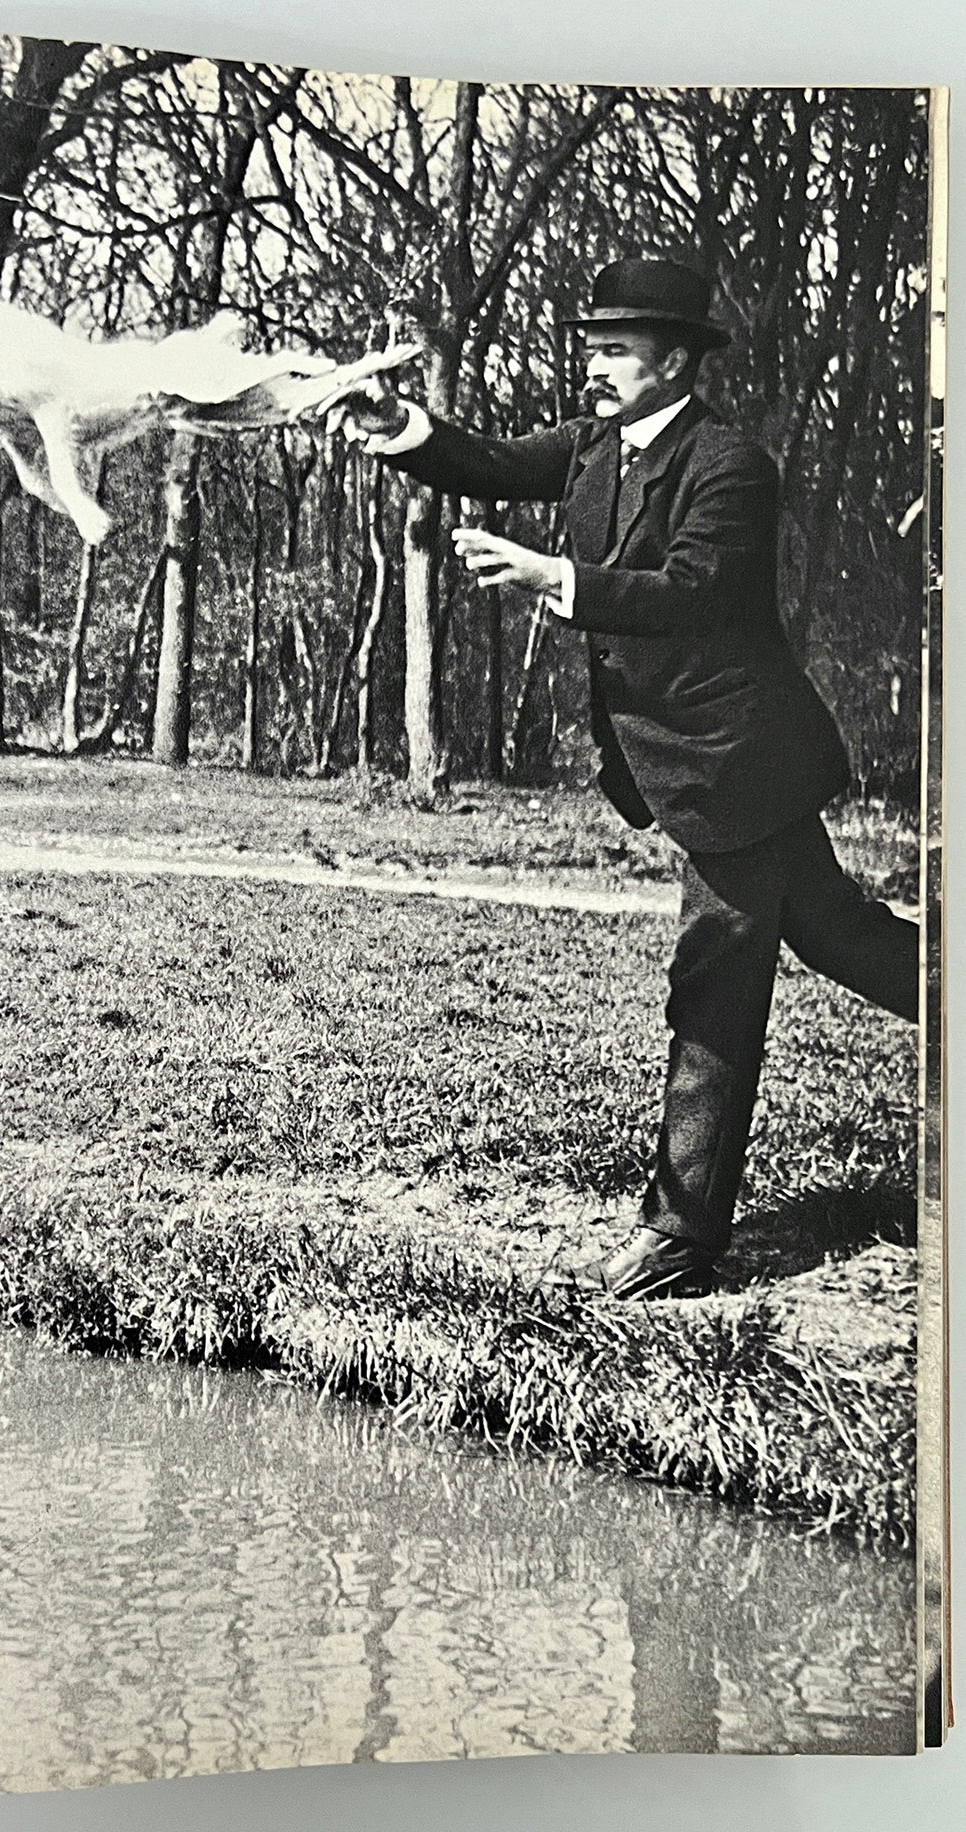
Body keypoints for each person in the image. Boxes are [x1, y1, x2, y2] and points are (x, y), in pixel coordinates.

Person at [326, 256, 918, 1299]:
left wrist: (556, 577)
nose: (592, 369)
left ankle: (680, 1233)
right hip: (695, 764)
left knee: (713, 985)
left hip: (738, 762)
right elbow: (496, 459)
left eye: (615, 349)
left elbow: (694, 589)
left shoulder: (731, 464)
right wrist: (399, 427)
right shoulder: (596, 446)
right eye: (589, 347)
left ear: (676, 359)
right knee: (840, 936)